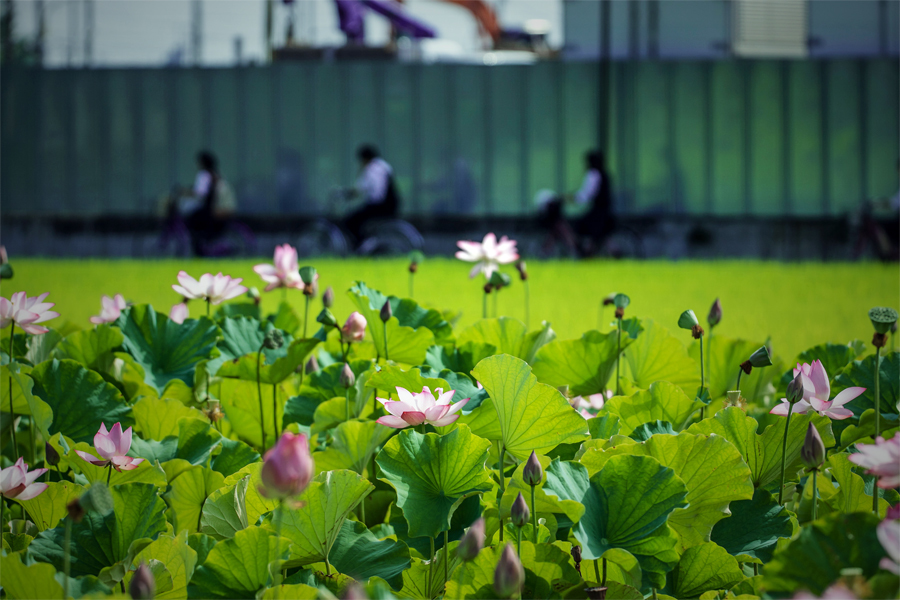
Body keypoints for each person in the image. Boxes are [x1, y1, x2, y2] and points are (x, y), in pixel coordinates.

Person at [536, 150, 615, 257]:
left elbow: (585, 195)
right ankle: (588, 250)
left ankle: (584, 251)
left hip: (598, 212)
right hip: (605, 211)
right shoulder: (604, 174)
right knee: (597, 234)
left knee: (579, 229)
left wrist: (568, 198)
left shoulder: (593, 174)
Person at [343, 145, 400, 246]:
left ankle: (361, 244)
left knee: (350, 221)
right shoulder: (383, 166)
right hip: (391, 204)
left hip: (381, 206)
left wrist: (349, 194)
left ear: (365, 158)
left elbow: (366, 189)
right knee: (361, 218)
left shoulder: (372, 168)